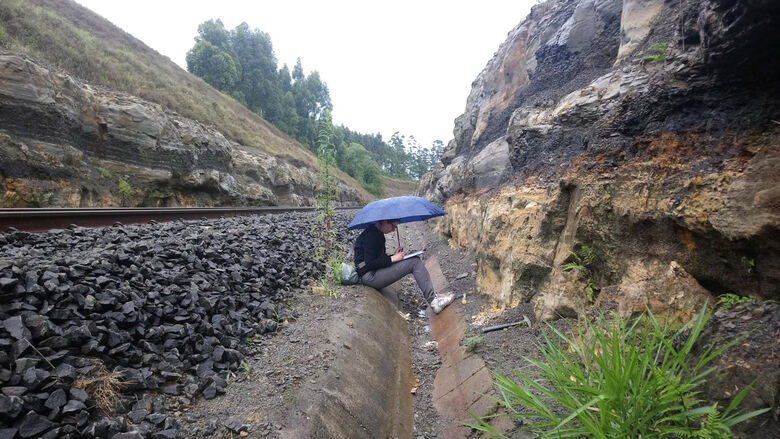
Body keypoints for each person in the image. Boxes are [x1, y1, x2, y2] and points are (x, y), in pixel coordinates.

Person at [354, 219, 455, 314]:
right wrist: (393, 259)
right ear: (385, 222)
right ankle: (434, 302)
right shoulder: (370, 236)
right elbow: (369, 263)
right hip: (368, 276)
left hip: (375, 271)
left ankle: (433, 296)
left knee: (414, 259)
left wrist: (393, 255)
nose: (394, 230)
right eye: (393, 226)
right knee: (414, 262)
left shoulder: (378, 234)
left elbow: (379, 258)